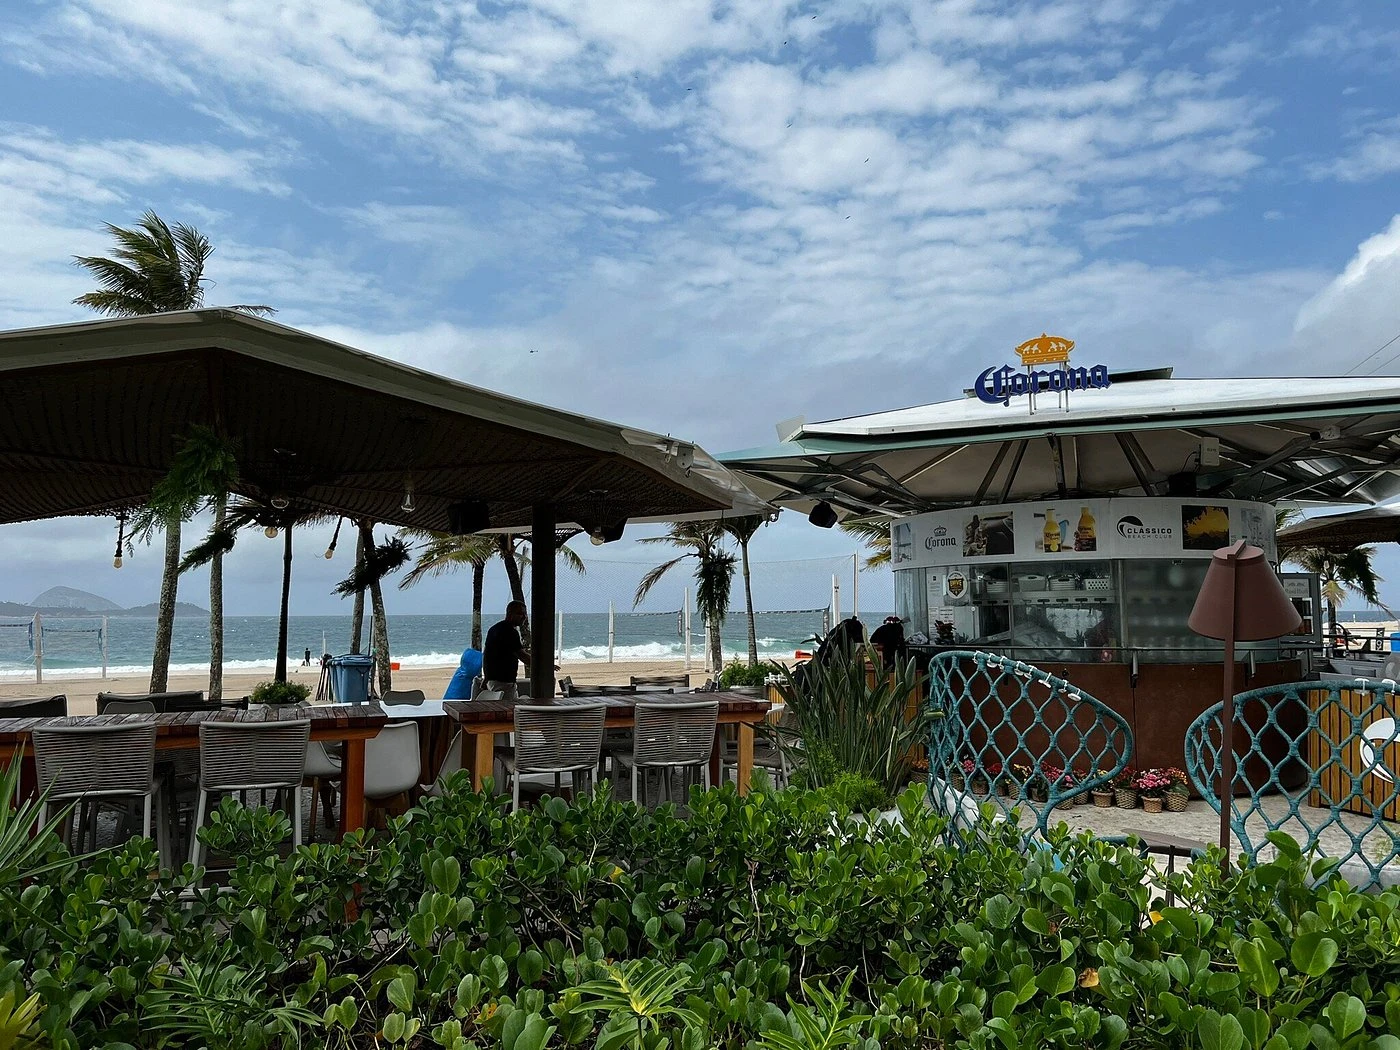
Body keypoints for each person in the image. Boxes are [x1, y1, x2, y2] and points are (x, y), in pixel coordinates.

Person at [482, 600, 530, 700]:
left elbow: (487, 655)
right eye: (520, 613)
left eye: (525, 613)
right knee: (508, 712)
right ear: (510, 614)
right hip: (503, 683)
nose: (524, 617)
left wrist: (487, 677)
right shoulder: (510, 632)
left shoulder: (494, 629)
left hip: (493, 681)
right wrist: (544, 666)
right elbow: (522, 656)